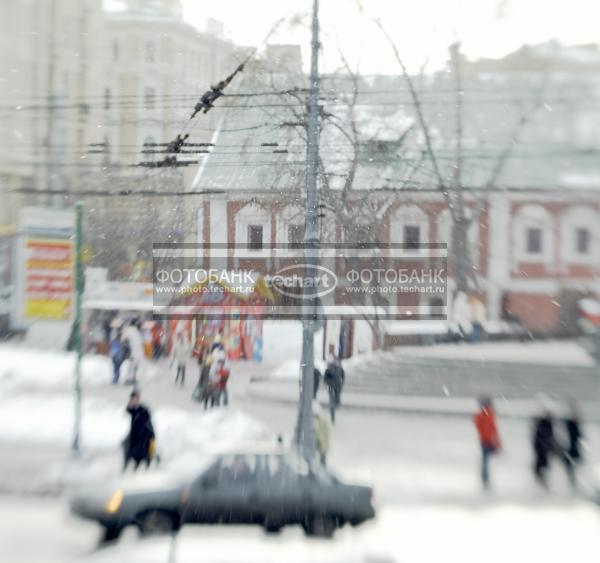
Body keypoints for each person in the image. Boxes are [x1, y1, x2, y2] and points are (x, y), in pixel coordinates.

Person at [473, 396, 501, 489]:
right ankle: (485, 479)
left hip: (486, 441)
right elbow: (491, 428)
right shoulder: (487, 414)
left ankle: (485, 478)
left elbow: (488, 427)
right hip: (487, 441)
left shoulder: (485, 414)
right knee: (485, 461)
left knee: (485, 461)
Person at [123, 390, 155, 471]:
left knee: (143, 452)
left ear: (138, 399)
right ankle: (134, 465)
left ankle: (147, 465)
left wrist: (149, 435)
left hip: (145, 434)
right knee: (131, 448)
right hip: (136, 435)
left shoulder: (143, 410)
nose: (134, 401)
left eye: (135, 399)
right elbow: (127, 410)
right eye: (132, 399)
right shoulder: (133, 410)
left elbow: (148, 423)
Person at [532, 397, 558, 489]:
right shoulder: (543, 422)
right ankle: (543, 484)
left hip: (544, 447)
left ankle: (544, 484)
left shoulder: (546, 422)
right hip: (542, 447)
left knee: (541, 467)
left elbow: (548, 435)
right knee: (540, 467)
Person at [562, 399, 584, 488]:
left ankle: (575, 485)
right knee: (571, 470)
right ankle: (573, 485)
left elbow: (580, 437)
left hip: (573, 449)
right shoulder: (567, 422)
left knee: (576, 469)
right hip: (569, 449)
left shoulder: (575, 423)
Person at [324, 357, 344, 423]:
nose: (337, 362)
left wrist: (341, 384)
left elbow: (343, 376)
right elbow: (326, 378)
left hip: (337, 387)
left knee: (336, 400)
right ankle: (332, 414)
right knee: (332, 402)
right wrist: (329, 384)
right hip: (332, 387)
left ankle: (335, 406)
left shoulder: (339, 369)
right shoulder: (330, 369)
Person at [313, 400, 330, 466]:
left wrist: (318, 441)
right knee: (322, 458)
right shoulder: (322, 418)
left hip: (322, 443)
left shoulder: (321, 420)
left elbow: (320, 433)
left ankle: (322, 467)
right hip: (323, 443)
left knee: (322, 458)